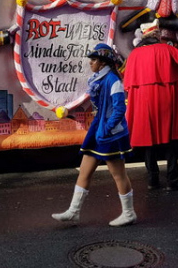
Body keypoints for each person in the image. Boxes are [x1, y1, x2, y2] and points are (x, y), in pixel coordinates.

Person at [52, 44, 137, 227]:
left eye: (93, 60)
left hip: (111, 134)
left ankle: (129, 213)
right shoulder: (99, 79)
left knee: (118, 174)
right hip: (99, 129)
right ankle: (73, 212)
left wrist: (106, 128)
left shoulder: (112, 80)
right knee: (85, 170)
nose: (90, 63)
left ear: (102, 62)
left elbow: (120, 108)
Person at [124, 20, 178, 191]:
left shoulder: (134, 54)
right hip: (165, 96)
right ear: (156, 35)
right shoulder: (165, 49)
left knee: (148, 141)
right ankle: (172, 180)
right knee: (170, 139)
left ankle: (153, 180)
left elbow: (127, 83)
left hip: (142, 99)